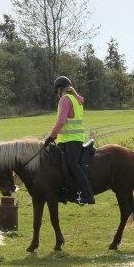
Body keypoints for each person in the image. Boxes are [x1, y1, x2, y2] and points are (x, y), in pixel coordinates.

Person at [43, 75, 95, 205]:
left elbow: (61, 121)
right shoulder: (76, 99)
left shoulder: (65, 99)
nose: (57, 95)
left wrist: (51, 136)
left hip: (71, 139)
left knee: (73, 165)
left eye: (57, 92)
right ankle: (65, 192)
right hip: (72, 138)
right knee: (62, 166)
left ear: (60, 89)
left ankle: (88, 195)